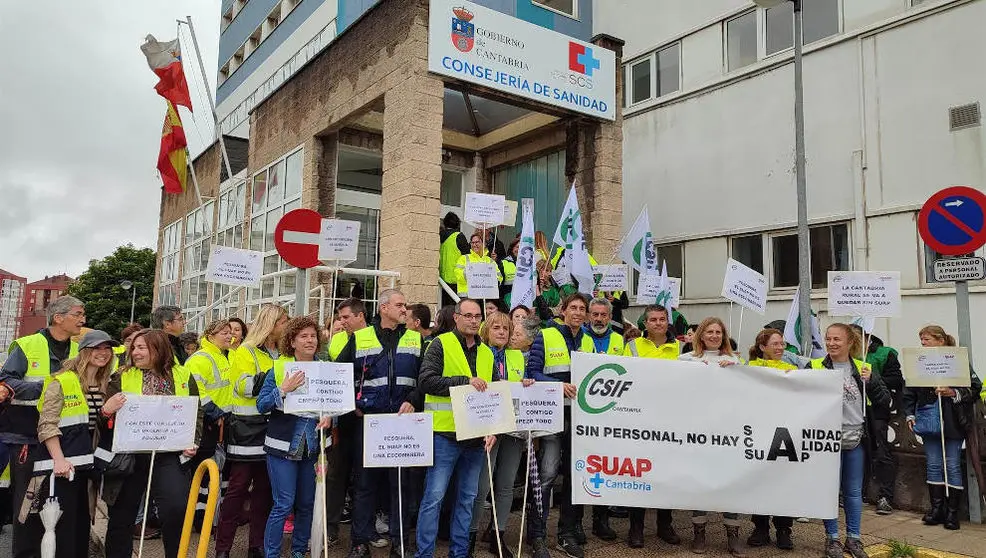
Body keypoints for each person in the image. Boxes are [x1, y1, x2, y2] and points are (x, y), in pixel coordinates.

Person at [337, 289, 423, 558]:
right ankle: (359, 543)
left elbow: (425, 377)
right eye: (400, 304)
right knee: (365, 485)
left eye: (405, 305)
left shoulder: (415, 339)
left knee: (400, 485)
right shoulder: (361, 337)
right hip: (370, 421)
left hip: (402, 422)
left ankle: (400, 543)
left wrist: (413, 399)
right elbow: (340, 374)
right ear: (383, 308)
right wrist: (353, 405)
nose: (404, 309)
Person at [103, 329, 201, 558]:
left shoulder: (183, 375)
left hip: (168, 455)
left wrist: (193, 440)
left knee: (175, 508)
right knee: (121, 515)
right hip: (129, 455)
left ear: (158, 349)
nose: (134, 352)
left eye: (141, 348)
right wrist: (107, 410)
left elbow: (196, 412)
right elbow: (105, 418)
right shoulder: (121, 375)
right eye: (133, 348)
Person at [0, 295, 85, 558]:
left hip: (67, 439)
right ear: (58, 318)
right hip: (28, 437)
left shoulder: (79, 350)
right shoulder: (27, 345)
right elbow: (6, 381)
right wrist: (48, 388)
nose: (83, 320)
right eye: (78, 314)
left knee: (60, 503)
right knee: (28, 504)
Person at [416, 298, 497, 558]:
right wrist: (465, 381)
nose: (473, 320)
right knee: (434, 498)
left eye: (477, 316)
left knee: (467, 499)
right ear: (456, 317)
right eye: (468, 315)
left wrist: (493, 429)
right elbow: (426, 381)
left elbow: (493, 394)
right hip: (445, 435)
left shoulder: (487, 353)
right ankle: (424, 554)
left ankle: (459, 553)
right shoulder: (440, 344)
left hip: (475, 439)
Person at [810, 324, 891, 558]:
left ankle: (854, 538)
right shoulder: (815, 366)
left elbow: (884, 400)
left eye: (837, 339)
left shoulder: (864, 368)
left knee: (854, 492)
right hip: (827, 439)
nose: (831, 343)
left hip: (856, 437)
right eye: (828, 339)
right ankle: (832, 539)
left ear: (850, 342)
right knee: (829, 491)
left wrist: (871, 381)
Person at [36, 329, 118, 558]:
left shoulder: (106, 384)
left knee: (81, 524)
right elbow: (47, 424)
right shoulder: (62, 381)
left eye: (107, 348)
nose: (103, 353)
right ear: (83, 351)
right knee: (64, 526)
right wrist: (59, 460)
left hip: (90, 466)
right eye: (97, 348)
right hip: (64, 466)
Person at [256, 316, 333, 558]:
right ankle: (272, 554)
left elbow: (336, 404)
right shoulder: (279, 368)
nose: (310, 340)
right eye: (304, 336)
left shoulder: (327, 368)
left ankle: (299, 551)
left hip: (312, 447)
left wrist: (331, 417)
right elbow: (261, 405)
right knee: (283, 504)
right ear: (292, 341)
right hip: (282, 447)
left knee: (307, 504)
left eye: (313, 336)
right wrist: (283, 389)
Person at [525, 293, 594, 558]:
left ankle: (566, 534)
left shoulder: (588, 340)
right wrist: (557, 386)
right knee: (547, 475)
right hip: (552, 415)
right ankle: (538, 536)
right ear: (563, 311)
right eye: (572, 308)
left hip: (580, 417)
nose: (577, 312)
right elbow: (532, 372)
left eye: (582, 309)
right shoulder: (546, 335)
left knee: (574, 477)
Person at [222, 304, 287, 558]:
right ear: (270, 324)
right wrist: (277, 375)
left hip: (274, 428)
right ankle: (223, 548)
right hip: (247, 430)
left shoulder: (283, 352)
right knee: (237, 490)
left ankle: (256, 545)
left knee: (265, 491)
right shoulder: (245, 351)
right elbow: (244, 387)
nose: (286, 326)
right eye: (282, 322)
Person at [903, 325, 983, 531]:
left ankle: (953, 512)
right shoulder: (919, 361)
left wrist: (953, 393)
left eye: (927, 339)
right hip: (929, 419)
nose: (923, 343)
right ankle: (937, 509)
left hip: (953, 420)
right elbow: (909, 390)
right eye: (921, 340)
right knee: (933, 464)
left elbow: (975, 387)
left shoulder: (957, 359)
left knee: (952, 464)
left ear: (940, 340)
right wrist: (910, 413)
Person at [677, 317, 745, 556]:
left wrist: (736, 371)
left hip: (728, 434)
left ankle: (733, 533)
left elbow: (747, 392)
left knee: (729, 483)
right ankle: (699, 532)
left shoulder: (736, 361)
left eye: (718, 332)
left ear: (724, 335)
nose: (714, 336)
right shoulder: (686, 360)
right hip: (697, 433)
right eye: (709, 332)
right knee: (700, 481)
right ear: (701, 335)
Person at [469, 312, 533, 558]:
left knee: (506, 484)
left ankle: (498, 534)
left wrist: (526, 383)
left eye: (506, 329)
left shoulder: (517, 356)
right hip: (487, 427)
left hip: (512, 428)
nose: (502, 332)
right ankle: (470, 535)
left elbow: (521, 386)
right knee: (482, 485)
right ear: (486, 331)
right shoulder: (478, 353)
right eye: (496, 327)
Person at [620, 305, 681, 549]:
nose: (658, 323)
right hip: (640, 419)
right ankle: (636, 528)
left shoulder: (680, 348)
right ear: (645, 324)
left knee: (666, 474)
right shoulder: (633, 346)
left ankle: (665, 525)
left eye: (662, 319)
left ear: (668, 322)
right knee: (639, 474)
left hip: (670, 420)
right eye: (653, 320)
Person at [744, 328, 797, 550]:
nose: (780, 347)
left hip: (784, 432)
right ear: (762, 347)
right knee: (759, 480)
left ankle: (784, 529)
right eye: (775, 344)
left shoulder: (792, 369)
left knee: (783, 481)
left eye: (782, 343)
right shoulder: (750, 368)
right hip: (759, 431)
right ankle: (761, 527)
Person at [184, 320, 234, 532]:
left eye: (230, 333)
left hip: (224, 420)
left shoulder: (224, 356)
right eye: (224, 333)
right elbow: (197, 391)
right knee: (205, 471)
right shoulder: (200, 358)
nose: (229, 336)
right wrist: (215, 413)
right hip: (208, 422)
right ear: (210, 336)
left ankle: (213, 516)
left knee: (221, 471)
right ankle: (200, 518)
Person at [325, 298, 369, 540]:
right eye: (339, 318)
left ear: (360, 316)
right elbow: (337, 373)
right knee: (336, 475)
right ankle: (330, 528)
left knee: (365, 479)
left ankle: (362, 533)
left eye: (345, 317)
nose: (341, 323)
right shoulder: (344, 340)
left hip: (367, 418)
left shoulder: (373, 338)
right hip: (344, 417)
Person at [849, 325, 904, 516]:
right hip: (853, 411)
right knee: (856, 453)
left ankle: (885, 497)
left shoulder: (884, 354)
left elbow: (896, 380)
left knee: (881, 453)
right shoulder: (845, 358)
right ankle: (858, 494)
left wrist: (872, 379)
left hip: (876, 411)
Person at [454, 233, 503, 298]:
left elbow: (499, 277)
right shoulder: (464, 258)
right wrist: (476, 276)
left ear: (484, 244)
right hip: (467, 297)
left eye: (477, 242)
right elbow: (458, 275)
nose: (474, 245)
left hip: (486, 296)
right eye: (472, 243)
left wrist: (491, 282)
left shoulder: (490, 261)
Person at [440, 212, 471, 307]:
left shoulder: (439, 236)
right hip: (456, 280)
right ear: (457, 223)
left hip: (442, 279)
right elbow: (468, 256)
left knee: (444, 307)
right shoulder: (459, 236)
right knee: (456, 308)